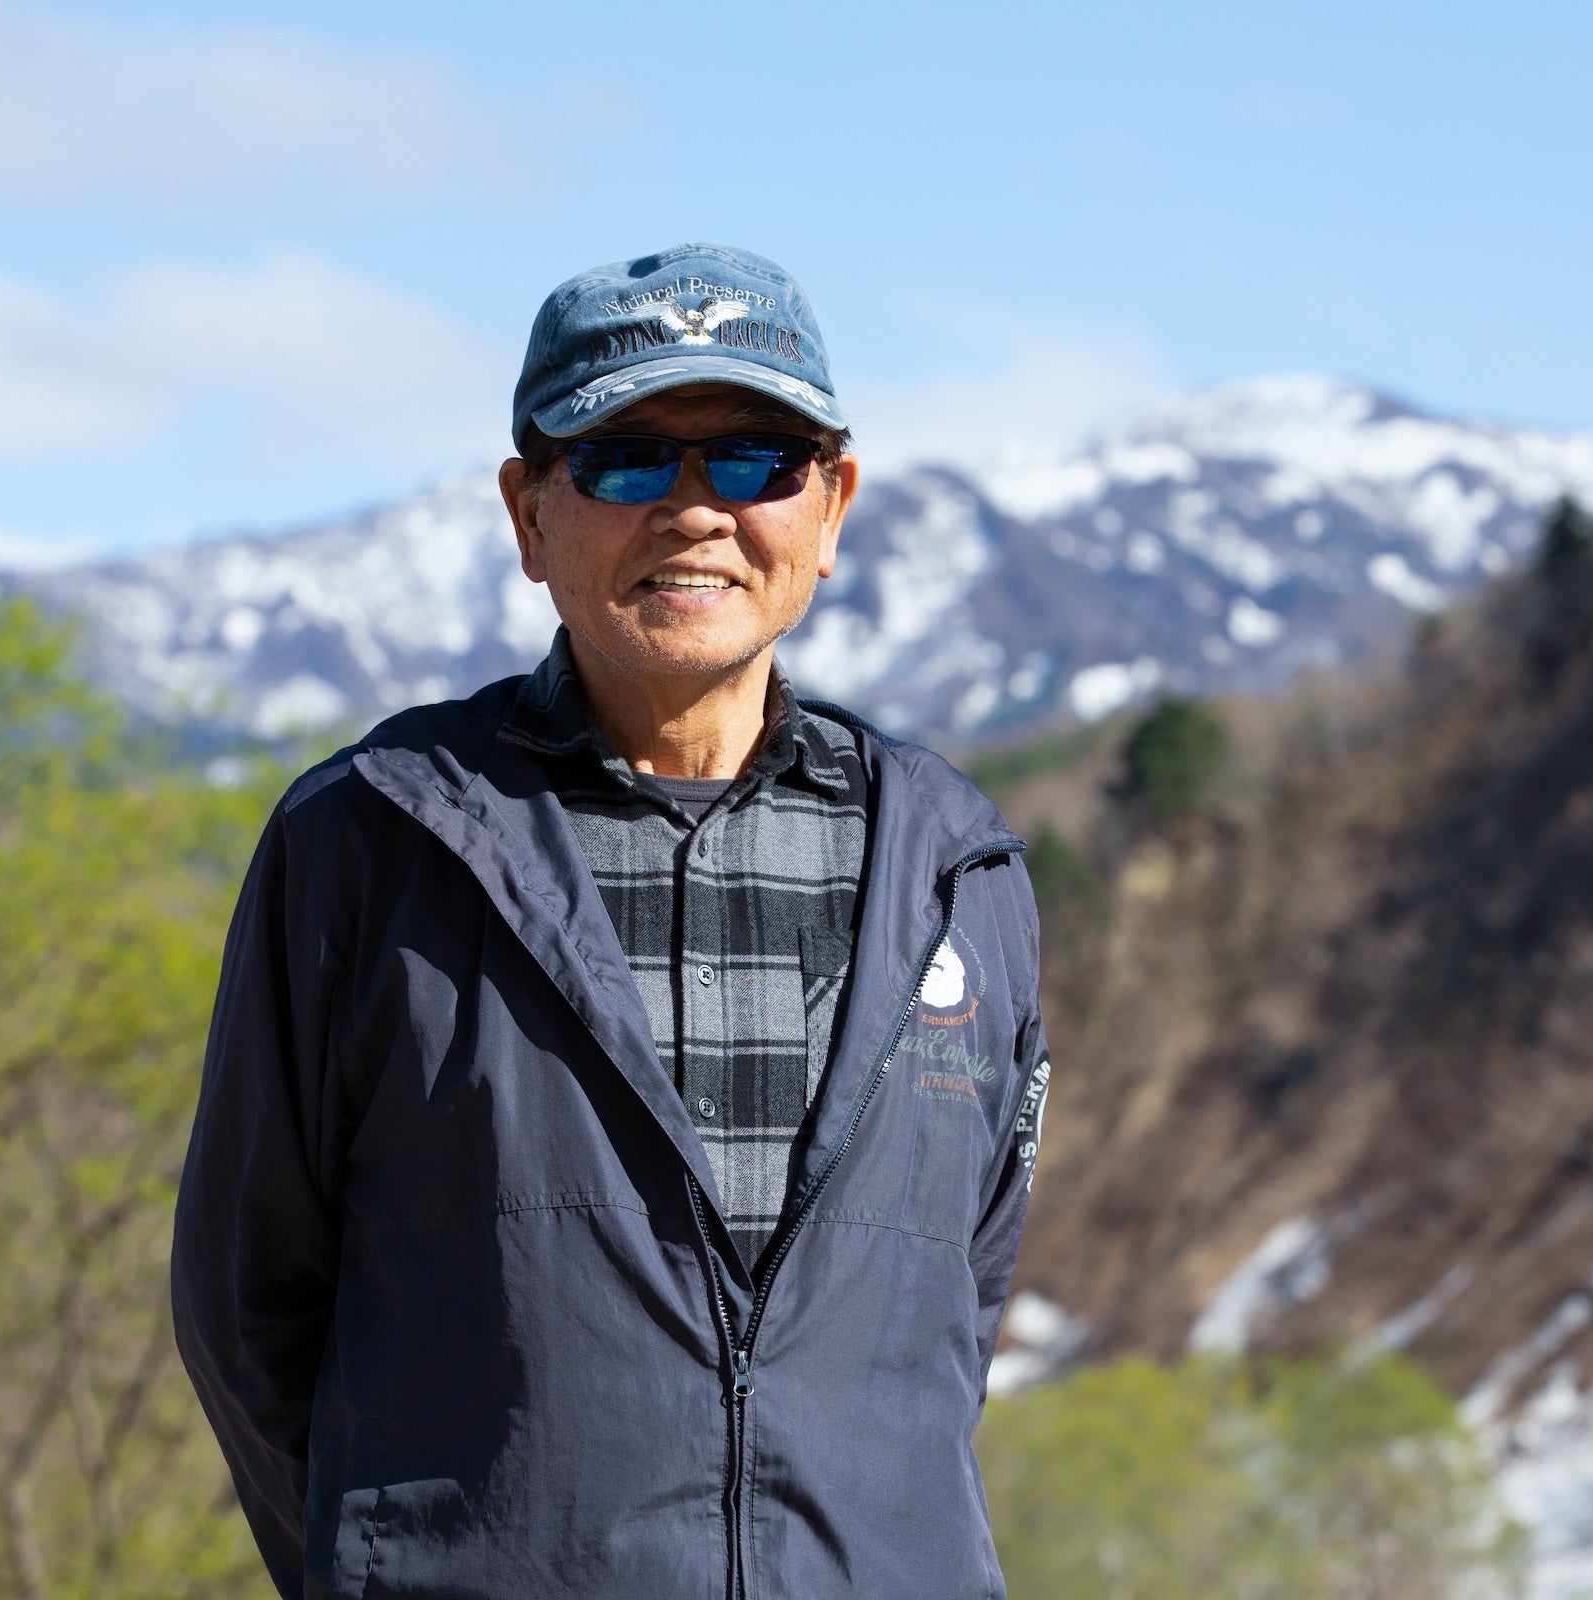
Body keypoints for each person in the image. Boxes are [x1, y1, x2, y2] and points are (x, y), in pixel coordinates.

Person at [173, 242, 1051, 1599]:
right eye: (627, 461)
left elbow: (950, 1321)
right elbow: (247, 1311)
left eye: (755, 460)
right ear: (529, 513)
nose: (695, 510)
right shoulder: (373, 840)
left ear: (831, 507)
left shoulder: (957, 869)